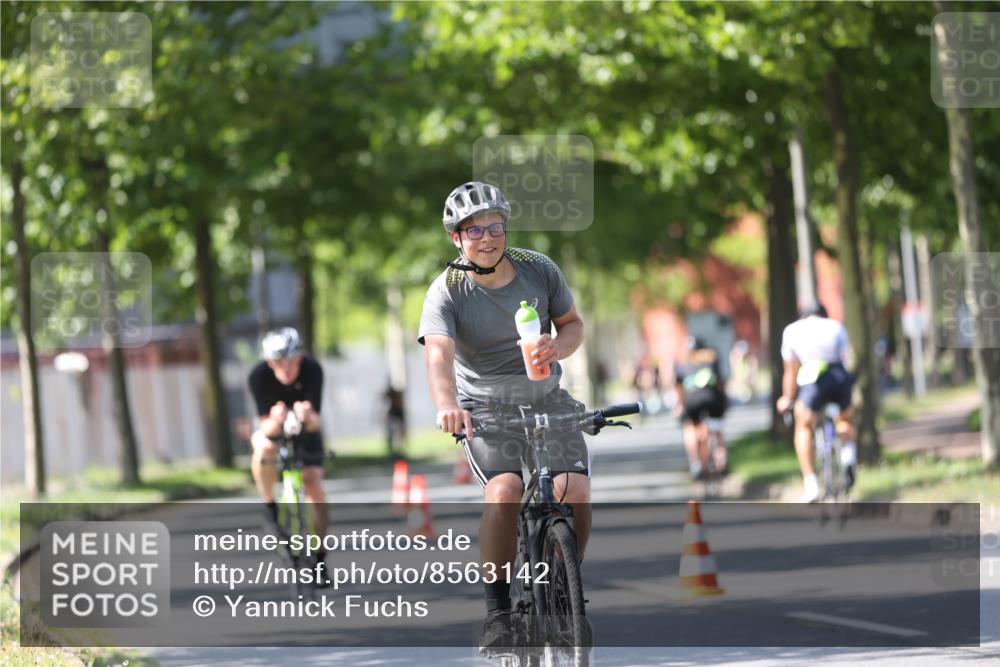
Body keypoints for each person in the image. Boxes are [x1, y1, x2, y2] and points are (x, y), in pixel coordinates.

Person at [418, 181, 588, 651]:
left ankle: (564, 588)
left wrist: (560, 346)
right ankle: (498, 613)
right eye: (475, 231)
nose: (488, 238)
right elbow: (438, 356)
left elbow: (572, 325)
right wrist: (447, 405)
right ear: (457, 238)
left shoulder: (539, 269)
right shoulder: (447, 291)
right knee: (506, 488)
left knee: (575, 488)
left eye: (495, 227)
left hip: (548, 401)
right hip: (486, 408)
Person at [247, 327, 330, 584]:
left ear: (301, 357)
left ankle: (319, 556)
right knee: (263, 448)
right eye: (278, 363)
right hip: (274, 426)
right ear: (269, 362)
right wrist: (275, 419)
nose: (286, 369)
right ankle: (269, 503)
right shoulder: (258, 376)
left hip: (305, 427)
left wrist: (306, 416)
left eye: (292, 362)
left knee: (313, 480)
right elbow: (264, 427)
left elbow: (316, 422)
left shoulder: (313, 370)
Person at [776, 302, 858, 502]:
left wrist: (787, 398)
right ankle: (848, 456)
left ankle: (811, 483)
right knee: (845, 418)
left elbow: (791, 370)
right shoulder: (836, 326)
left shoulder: (792, 330)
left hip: (813, 380)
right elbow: (848, 359)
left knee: (803, 425)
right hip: (839, 377)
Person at [674, 337, 728, 480]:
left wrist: (679, 406)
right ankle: (721, 462)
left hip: (693, 400)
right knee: (716, 430)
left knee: (690, 428)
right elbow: (720, 382)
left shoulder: (682, 365)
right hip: (713, 398)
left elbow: (679, 390)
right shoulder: (712, 360)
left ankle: (696, 464)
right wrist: (724, 400)